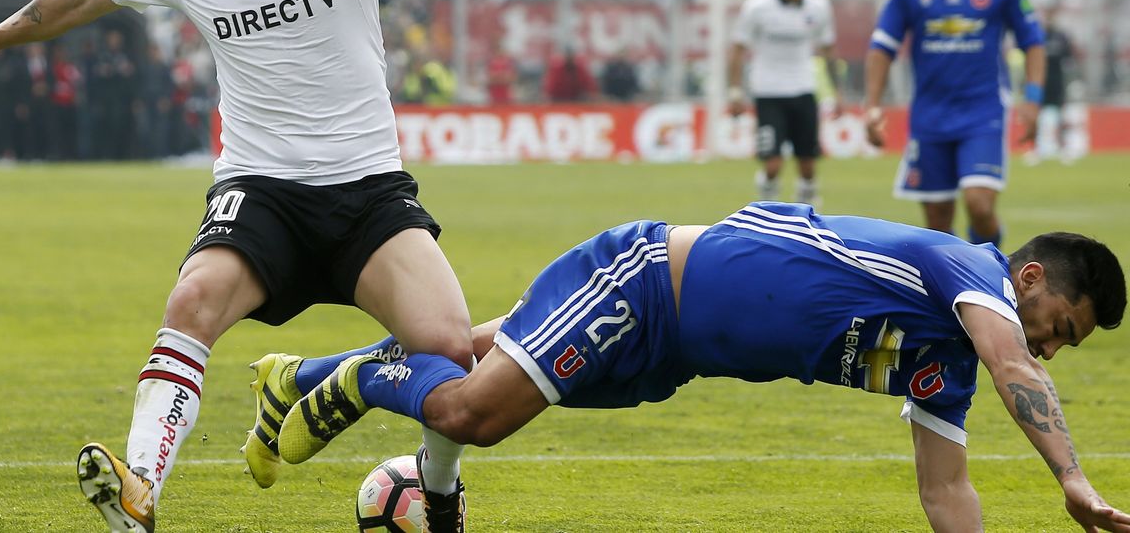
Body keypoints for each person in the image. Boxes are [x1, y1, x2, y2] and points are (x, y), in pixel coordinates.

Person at [0, 0, 480, 532]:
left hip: (367, 189)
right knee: (192, 301)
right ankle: (139, 487)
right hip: (261, 189)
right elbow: (79, 0)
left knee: (449, 352)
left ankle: (436, 491)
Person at [266, 202, 1128, 531]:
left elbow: (947, 491)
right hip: (642, 280)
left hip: (669, 357)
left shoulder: (950, 370)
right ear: (1030, 278)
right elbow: (1018, 362)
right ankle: (352, 385)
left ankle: (298, 380)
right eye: (1062, 326)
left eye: (1064, 345)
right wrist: (1073, 480)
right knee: (471, 414)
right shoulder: (971, 273)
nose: (1052, 347)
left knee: (464, 352)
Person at [864, 0, 1045, 247]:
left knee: (979, 203)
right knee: (937, 222)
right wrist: (872, 106)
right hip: (930, 116)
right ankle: (949, 297)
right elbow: (882, 47)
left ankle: (992, 269)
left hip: (983, 111)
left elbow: (1033, 41)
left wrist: (1033, 98)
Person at [730, 0, 841, 205]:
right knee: (772, 164)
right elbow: (737, 50)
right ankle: (767, 211)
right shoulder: (757, 7)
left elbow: (828, 50)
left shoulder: (819, 6)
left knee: (808, 166)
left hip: (804, 89)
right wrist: (735, 92)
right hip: (768, 92)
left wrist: (837, 92)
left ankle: (808, 216)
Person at [1027, 6, 1077, 164]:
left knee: (1061, 115)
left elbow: (1069, 60)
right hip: (1039, 81)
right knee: (1036, 114)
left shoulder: (1061, 36)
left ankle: (1064, 149)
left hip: (1057, 81)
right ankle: (1035, 149)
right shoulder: (1036, 36)